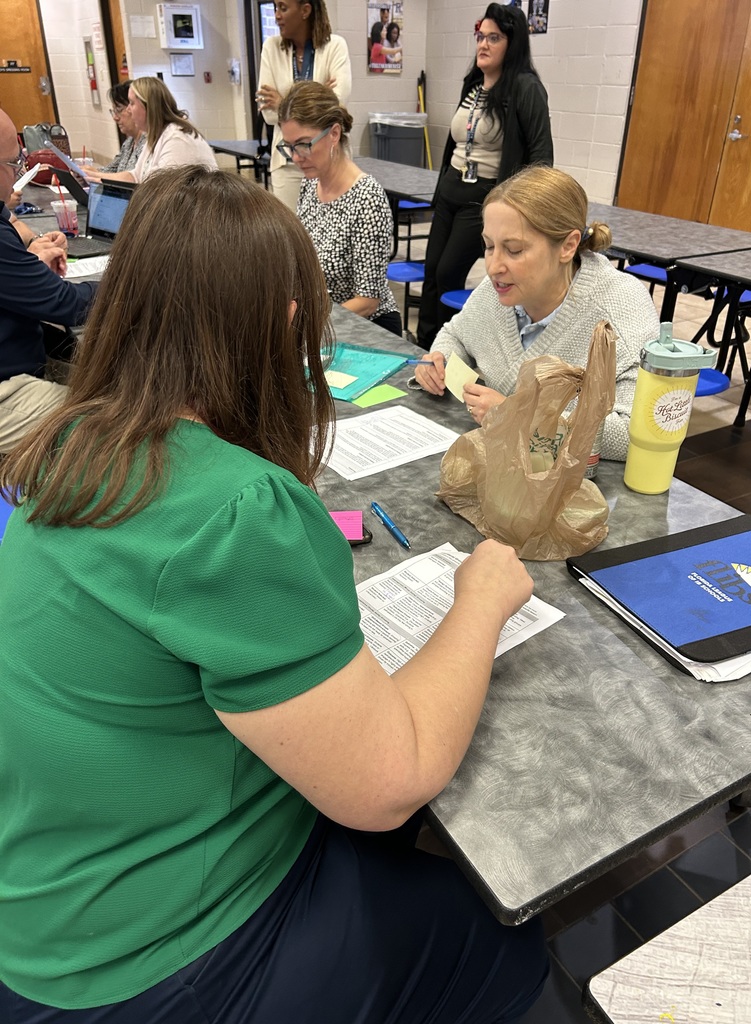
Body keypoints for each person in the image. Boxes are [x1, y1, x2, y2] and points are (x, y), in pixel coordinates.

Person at [0, 166, 548, 1023]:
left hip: (45, 904)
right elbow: (389, 782)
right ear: (289, 322)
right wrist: (478, 601)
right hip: (145, 963)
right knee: (507, 942)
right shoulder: (237, 509)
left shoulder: (67, 437)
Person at [415, 166, 661, 461]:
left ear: (568, 246)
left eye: (514, 250)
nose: (493, 266)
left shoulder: (619, 310)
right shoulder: (500, 287)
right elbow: (456, 334)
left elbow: (635, 433)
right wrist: (438, 359)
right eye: (489, 246)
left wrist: (520, 418)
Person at [416, 3, 553, 350]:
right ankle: (423, 345)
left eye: (494, 38)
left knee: (448, 273)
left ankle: (447, 351)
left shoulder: (525, 88)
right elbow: (456, 142)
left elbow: (541, 156)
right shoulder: (473, 83)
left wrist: (525, 209)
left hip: (483, 198)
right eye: (480, 36)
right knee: (430, 271)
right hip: (450, 189)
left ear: (513, 43)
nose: (484, 44)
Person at [0, 108, 97, 453]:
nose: (17, 177)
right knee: (109, 424)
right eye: (14, 165)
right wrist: (133, 281)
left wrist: (27, 258)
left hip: (23, 362)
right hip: (7, 390)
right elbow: (67, 305)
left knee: (103, 381)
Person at [278, 81, 402, 334]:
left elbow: (367, 301)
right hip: (325, 321)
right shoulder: (309, 186)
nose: (296, 156)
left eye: (303, 144)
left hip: (368, 328)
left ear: (334, 133)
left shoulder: (367, 199)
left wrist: (308, 325)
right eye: (289, 147)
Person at [257, 0, 351, 210]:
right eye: (275, 8)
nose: (277, 15)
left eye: (283, 8)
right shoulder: (271, 48)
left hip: (328, 162)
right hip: (286, 163)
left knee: (329, 237)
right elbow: (269, 115)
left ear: (305, 10)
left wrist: (282, 101)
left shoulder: (335, 46)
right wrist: (320, 94)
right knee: (291, 237)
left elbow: (337, 105)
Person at [89, 77, 217, 184]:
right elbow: (135, 176)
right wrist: (92, 176)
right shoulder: (156, 135)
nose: (128, 109)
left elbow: (162, 191)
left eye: (132, 103)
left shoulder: (177, 139)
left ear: (148, 107)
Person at [99, 80, 146, 174]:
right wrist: (86, 173)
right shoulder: (128, 143)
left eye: (119, 110)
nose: (115, 117)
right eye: (113, 111)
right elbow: (109, 171)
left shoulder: (148, 142)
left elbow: (134, 179)